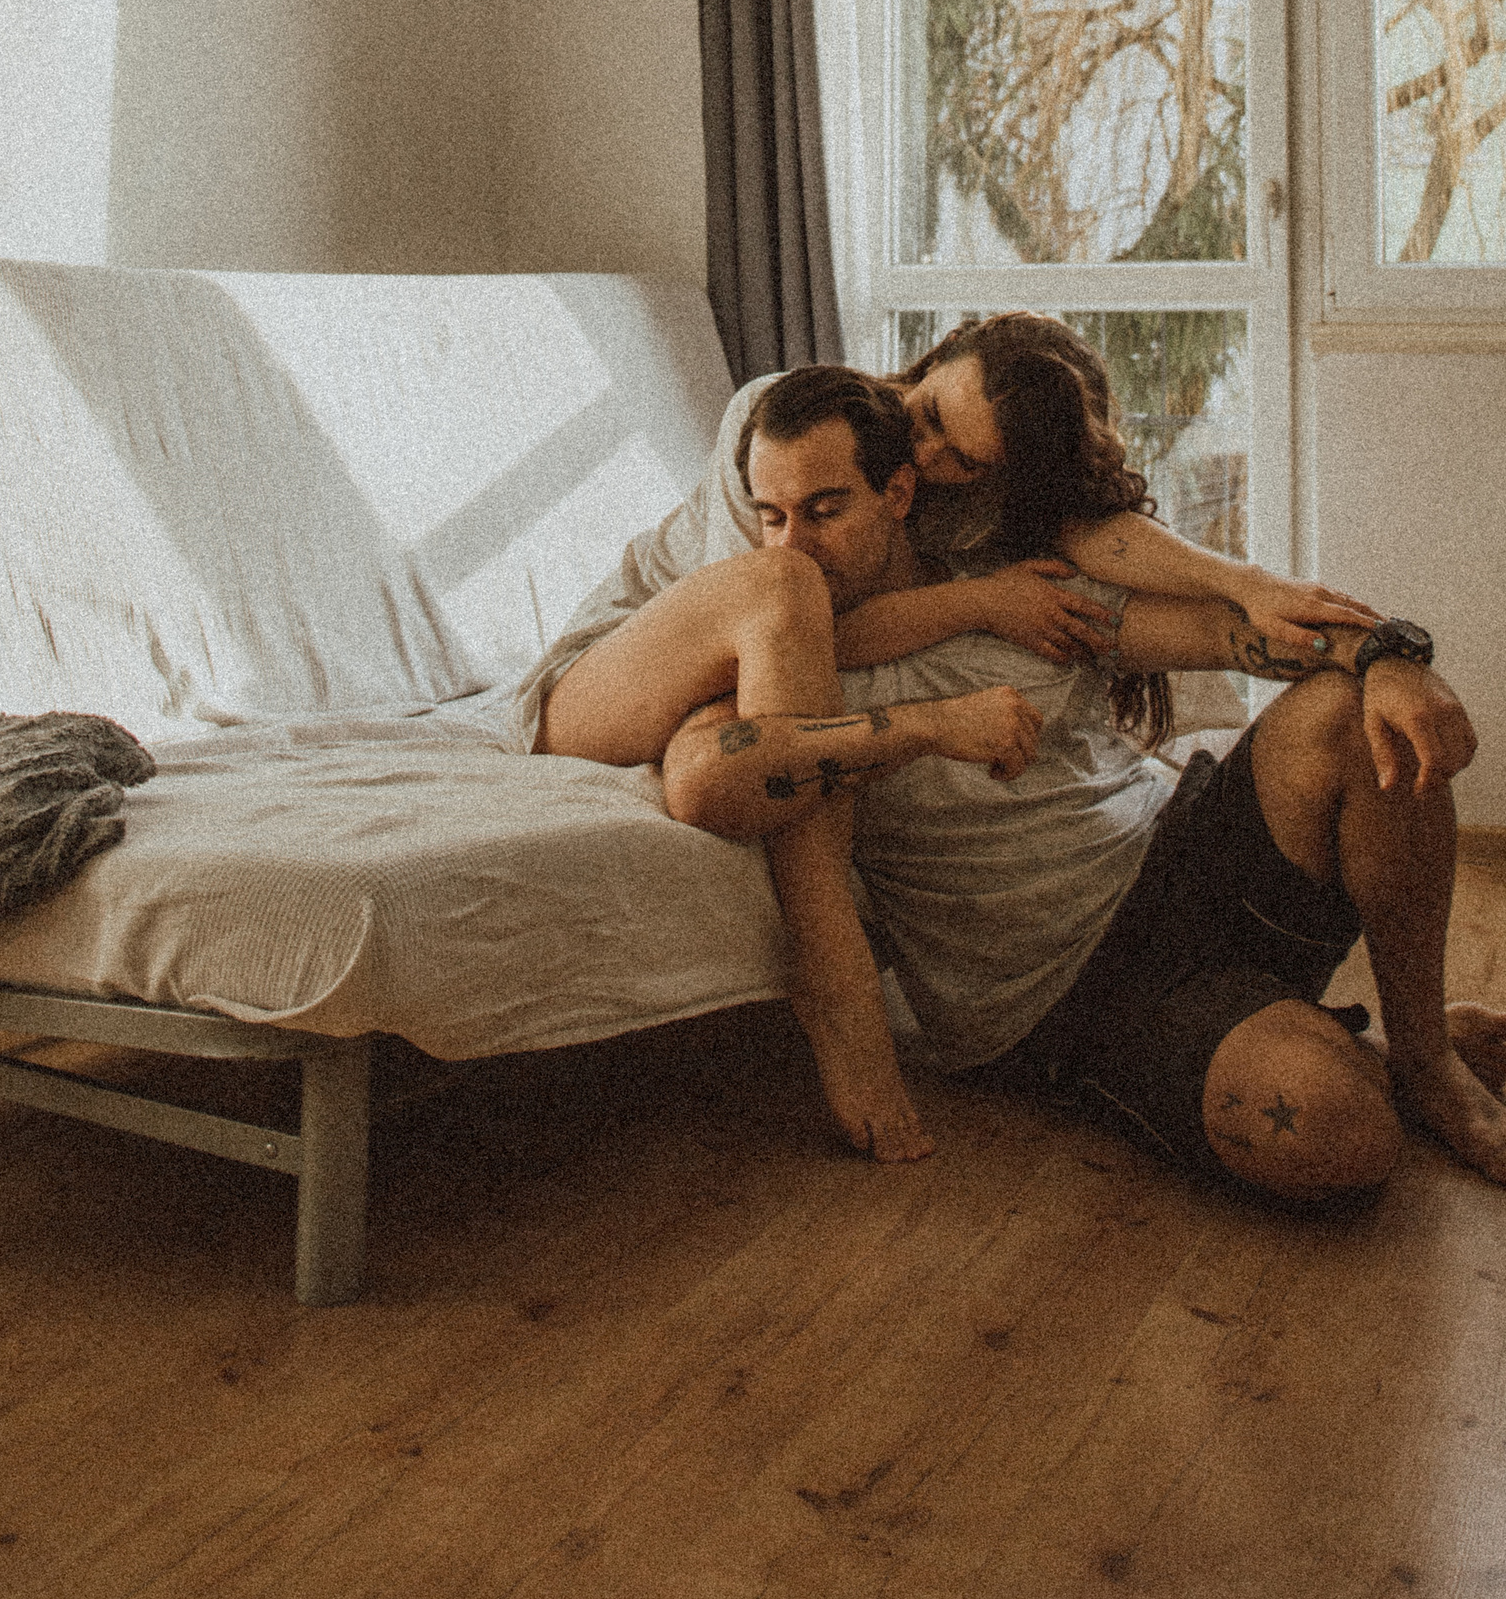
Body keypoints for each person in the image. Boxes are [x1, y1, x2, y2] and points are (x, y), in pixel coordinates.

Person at [658, 367, 1506, 1202]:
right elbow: (707, 770)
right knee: (1339, 1137)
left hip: (1183, 854)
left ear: (895, 493)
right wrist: (917, 728)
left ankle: (1425, 1063)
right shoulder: (780, 652)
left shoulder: (1020, 585)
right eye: (769, 518)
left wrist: (1391, 655)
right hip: (1074, 996)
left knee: (1358, 713)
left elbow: (1230, 633)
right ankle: (1359, 1053)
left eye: (824, 511)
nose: (793, 548)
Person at [520, 316, 1379, 1161]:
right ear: (930, 360)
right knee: (784, 587)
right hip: (603, 679)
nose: (927, 451)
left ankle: (1374, 1050)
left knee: (791, 616)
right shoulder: (785, 424)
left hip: (781, 659)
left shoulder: (951, 512)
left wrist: (1350, 635)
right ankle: (835, 992)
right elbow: (791, 642)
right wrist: (972, 626)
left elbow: (1097, 536)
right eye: (928, 412)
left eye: (963, 460)